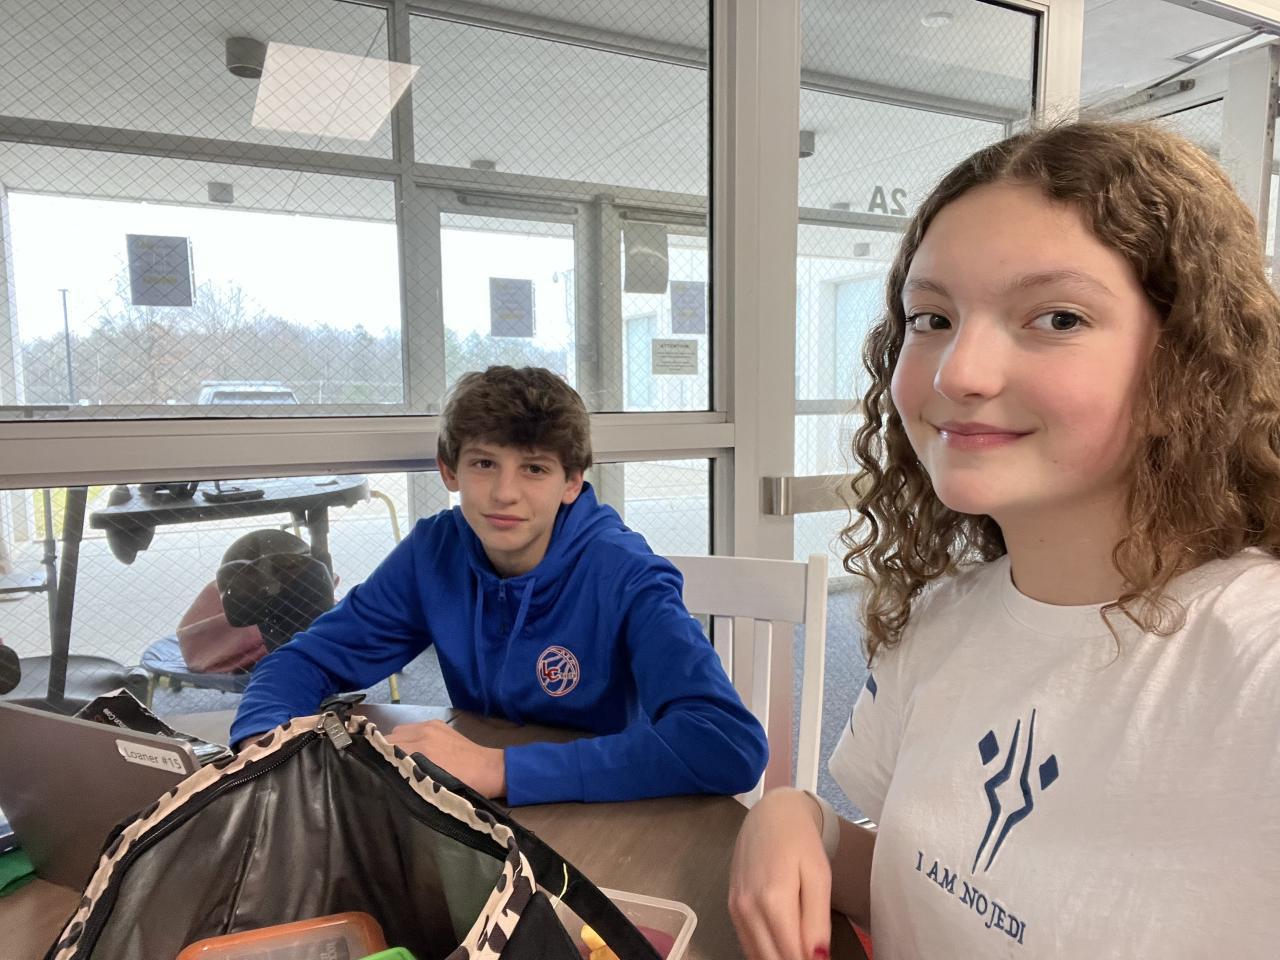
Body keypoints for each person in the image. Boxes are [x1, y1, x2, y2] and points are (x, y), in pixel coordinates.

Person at [728, 119, 1280, 960]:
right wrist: (800, 822)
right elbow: (938, 892)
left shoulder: (1255, 663)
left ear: (1191, 367)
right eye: (931, 318)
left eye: (1057, 317)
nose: (959, 373)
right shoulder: (939, 618)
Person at [230, 366, 766, 806]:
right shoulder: (433, 552)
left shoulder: (626, 574)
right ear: (450, 471)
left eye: (534, 469)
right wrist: (265, 742)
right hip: (477, 808)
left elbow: (727, 745)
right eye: (485, 463)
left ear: (572, 482)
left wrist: (497, 768)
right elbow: (304, 661)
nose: (505, 493)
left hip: (608, 807)